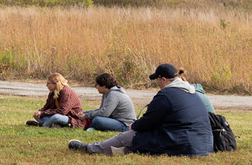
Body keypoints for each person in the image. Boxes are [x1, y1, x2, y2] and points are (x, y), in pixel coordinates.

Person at [69, 63, 213, 157]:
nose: (157, 84)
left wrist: (135, 125)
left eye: (156, 80)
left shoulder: (166, 95)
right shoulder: (192, 93)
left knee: (129, 135)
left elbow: (148, 122)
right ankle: (119, 151)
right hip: (205, 145)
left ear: (163, 79)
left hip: (182, 145)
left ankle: (90, 148)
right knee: (138, 142)